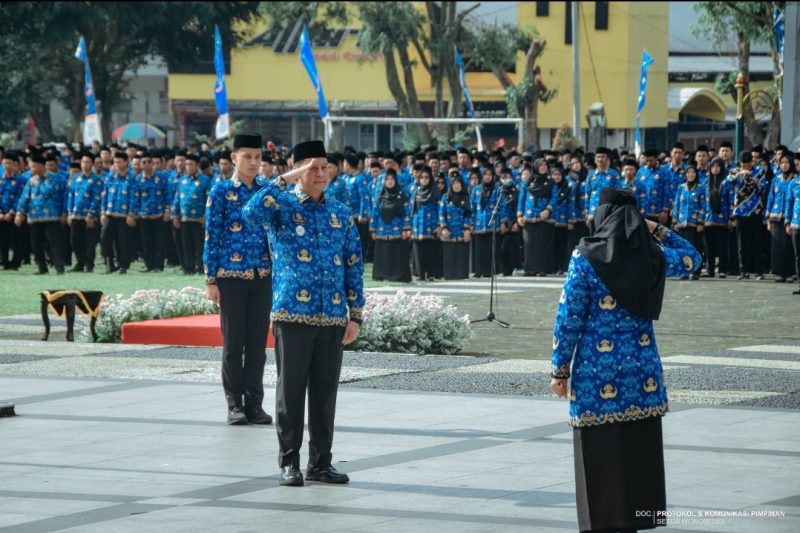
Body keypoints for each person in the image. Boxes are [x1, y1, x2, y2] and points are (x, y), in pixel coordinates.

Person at [550, 187, 701, 533]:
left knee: (597, 456)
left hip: (594, 373)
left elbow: (568, 317)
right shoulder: (651, 257)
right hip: (641, 374)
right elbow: (694, 257)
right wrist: (656, 229)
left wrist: (559, 370)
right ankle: (637, 520)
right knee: (639, 452)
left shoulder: (585, 257)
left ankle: (601, 523)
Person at [243, 139, 364, 487]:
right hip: (292, 315)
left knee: (325, 396)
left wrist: (355, 314)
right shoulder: (279, 206)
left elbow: (354, 264)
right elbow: (250, 214)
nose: (321, 173)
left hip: (331, 319)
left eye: (324, 167)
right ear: (298, 171)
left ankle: (321, 463)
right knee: (291, 391)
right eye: (312, 167)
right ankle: (289, 462)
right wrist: (283, 179)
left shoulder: (339, 212)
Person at [203, 134, 273, 426]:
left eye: (258, 157)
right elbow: (212, 236)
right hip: (230, 278)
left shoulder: (266, 190)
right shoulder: (220, 192)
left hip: (262, 276)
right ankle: (234, 404)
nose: (254, 163)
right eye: (248, 157)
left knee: (257, 344)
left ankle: (254, 404)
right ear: (234, 158)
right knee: (233, 344)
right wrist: (211, 279)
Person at [15, 153, 68, 275]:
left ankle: (59, 267)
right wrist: (20, 213)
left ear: (40, 165)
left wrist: (64, 213)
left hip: (52, 217)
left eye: (33, 166)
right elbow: (24, 198)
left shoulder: (57, 179)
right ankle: (41, 267)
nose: (31, 169)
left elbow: (64, 197)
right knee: (36, 245)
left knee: (55, 243)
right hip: (34, 217)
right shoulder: (31, 181)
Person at [172, 154, 212, 275]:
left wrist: (206, 216)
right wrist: (175, 215)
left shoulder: (205, 180)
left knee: (200, 245)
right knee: (186, 245)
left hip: (199, 219)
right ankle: (188, 268)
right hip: (185, 218)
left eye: (191, 164)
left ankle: (200, 267)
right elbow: (177, 199)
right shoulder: (182, 180)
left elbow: (209, 200)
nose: (188, 167)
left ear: (197, 165)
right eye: (187, 164)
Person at [370, 168, 412, 282]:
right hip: (381, 230)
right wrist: (373, 230)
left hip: (398, 230)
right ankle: (382, 274)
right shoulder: (380, 196)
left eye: (392, 179)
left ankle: (398, 276)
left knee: (397, 254)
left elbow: (406, 213)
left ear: (396, 181)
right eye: (387, 179)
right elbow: (375, 213)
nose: (390, 181)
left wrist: (406, 229)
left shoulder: (401, 195)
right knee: (383, 253)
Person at [100, 152, 136, 274]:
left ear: (126, 162)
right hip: (110, 213)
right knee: (104, 239)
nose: (117, 164)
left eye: (119, 162)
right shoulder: (110, 177)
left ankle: (123, 265)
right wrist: (103, 212)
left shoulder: (132, 177)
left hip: (124, 215)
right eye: (115, 162)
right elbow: (104, 195)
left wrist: (131, 214)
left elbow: (134, 197)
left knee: (123, 242)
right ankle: (110, 264)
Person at [66, 152, 102, 272]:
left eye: (87, 162)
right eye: (82, 162)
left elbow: (97, 198)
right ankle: (80, 263)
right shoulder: (76, 178)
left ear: (92, 164)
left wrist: (91, 214)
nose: (84, 164)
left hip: (89, 217)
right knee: (75, 241)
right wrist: (69, 212)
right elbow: (71, 196)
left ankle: (89, 264)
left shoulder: (97, 180)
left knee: (90, 242)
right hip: (76, 215)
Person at [517, 159, 554, 276]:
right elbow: (521, 198)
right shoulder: (527, 181)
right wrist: (519, 215)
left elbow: (555, 196)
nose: (543, 167)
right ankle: (529, 269)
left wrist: (548, 209)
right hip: (528, 216)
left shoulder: (550, 181)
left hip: (544, 216)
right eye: (541, 165)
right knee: (529, 244)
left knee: (542, 243)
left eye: (545, 165)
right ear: (536, 166)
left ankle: (542, 269)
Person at [731, 151, 764, 280]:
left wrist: (755, 182)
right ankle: (743, 271)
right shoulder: (735, 171)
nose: (747, 168)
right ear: (740, 163)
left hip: (755, 210)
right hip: (740, 211)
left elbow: (763, 189)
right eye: (744, 165)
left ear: (752, 162)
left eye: (749, 165)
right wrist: (739, 174)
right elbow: (726, 184)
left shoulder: (759, 170)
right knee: (741, 243)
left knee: (757, 241)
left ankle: (759, 271)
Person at [134, 151, 169, 272]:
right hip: (144, 215)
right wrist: (134, 212)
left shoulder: (162, 178)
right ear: (140, 164)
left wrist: (167, 210)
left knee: (160, 241)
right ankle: (149, 265)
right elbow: (135, 197)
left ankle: (159, 266)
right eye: (144, 162)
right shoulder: (138, 179)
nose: (147, 164)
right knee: (146, 241)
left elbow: (167, 195)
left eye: (149, 162)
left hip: (159, 214)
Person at [766, 152, 797, 282]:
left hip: (789, 217)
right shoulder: (776, 179)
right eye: (782, 163)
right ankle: (779, 273)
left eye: (787, 163)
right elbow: (770, 198)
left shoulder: (795, 179)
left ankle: (790, 273)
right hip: (775, 217)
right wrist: (767, 219)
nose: (784, 165)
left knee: (789, 247)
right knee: (777, 246)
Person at [672, 164, 706, 280]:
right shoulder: (681, 187)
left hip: (694, 224)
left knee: (695, 248)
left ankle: (696, 271)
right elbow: (677, 204)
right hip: (681, 224)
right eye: (688, 173)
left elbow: (703, 206)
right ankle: (685, 271)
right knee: (682, 249)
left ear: (696, 174)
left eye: (693, 172)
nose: (690, 175)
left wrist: (701, 222)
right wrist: (675, 221)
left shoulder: (701, 188)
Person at [410, 166, 442, 281]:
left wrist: (439, 225)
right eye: (422, 177)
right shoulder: (416, 191)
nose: (424, 179)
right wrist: (411, 226)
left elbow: (440, 209)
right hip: (418, 225)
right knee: (419, 251)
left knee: (431, 251)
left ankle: (431, 273)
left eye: (426, 177)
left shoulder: (435, 191)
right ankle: (421, 273)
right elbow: (412, 209)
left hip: (432, 225)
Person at [703, 158, 732, 278]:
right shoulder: (706, 182)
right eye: (713, 166)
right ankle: (710, 270)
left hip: (723, 218)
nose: (715, 169)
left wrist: (730, 217)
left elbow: (730, 200)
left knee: (722, 245)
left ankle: (722, 270)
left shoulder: (726, 182)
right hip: (708, 218)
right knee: (709, 246)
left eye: (717, 166)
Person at [438, 175, 472, 280]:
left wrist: (467, 229)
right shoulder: (445, 197)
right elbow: (441, 213)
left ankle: (461, 275)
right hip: (449, 231)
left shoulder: (466, 198)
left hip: (462, 231)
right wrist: (444, 227)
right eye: (454, 184)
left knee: (461, 254)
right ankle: (449, 275)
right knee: (449, 254)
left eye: (458, 184)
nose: (456, 186)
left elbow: (469, 214)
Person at [471, 168, 502, 277]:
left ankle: (491, 271)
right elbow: (472, 207)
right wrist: (471, 223)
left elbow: (501, 206)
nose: (488, 177)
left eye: (490, 174)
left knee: (491, 248)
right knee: (480, 249)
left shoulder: (498, 189)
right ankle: (479, 271)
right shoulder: (476, 190)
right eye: (485, 174)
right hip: (479, 223)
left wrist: (502, 221)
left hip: (493, 222)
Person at [0, 151, 26, 270]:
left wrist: (11, 212)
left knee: (16, 240)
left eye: (10, 163)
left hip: (14, 215)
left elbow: (20, 197)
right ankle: (3, 261)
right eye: (5, 163)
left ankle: (16, 262)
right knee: (2, 239)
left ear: (14, 164)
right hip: (1, 215)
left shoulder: (20, 180)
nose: (7, 165)